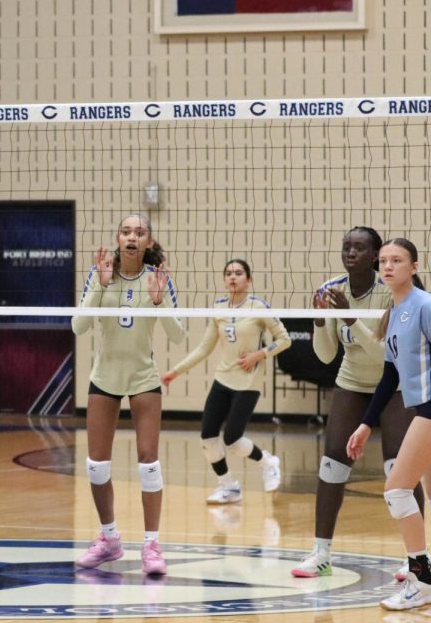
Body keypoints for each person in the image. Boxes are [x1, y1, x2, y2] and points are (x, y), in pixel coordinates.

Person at [292, 227, 422, 578]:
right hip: (351, 381)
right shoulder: (331, 290)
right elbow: (325, 356)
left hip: (394, 385)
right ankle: (321, 553)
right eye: (347, 247)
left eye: (361, 248)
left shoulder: (391, 293)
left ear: (375, 256)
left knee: (400, 469)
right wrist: (321, 322)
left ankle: (416, 557)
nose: (351, 253)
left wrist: (351, 318)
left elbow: (388, 355)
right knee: (331, 465)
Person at [71, 213, 184, 575]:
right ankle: (109, 539)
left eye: (139, 232)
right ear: (118, 239)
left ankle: (151, 545)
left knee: (149, 463)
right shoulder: (100, 274)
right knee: (96, 465)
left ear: (148, 242)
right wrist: (100, 287)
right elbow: (79, 326)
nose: (132, 236)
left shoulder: (159, 279)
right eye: (125, 231)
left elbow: (178, 335)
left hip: (143, 377)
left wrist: (158, 301)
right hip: (105, 377)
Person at [346, 238, 431, 610]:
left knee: (397, 490)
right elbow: (389, 375)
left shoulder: (425, 306)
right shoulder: (395, 312)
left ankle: (421, 578)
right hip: (421, 407)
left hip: (430, 408)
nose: (387, 266)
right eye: (383, 261)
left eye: (397, 260)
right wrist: (366, 425)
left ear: (413, 267)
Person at [162, 259, 290, 503]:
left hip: (248, 382)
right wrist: (175, 372)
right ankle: (228, 486)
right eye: (229, 273)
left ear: (248, 280)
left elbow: (284, 340)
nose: (233, 277)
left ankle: (268, 462)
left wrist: (259, 354)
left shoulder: (258, 307)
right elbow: (204, 348)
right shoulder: (219, 307)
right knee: (207, 436)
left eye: (239, 273)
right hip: (223, 379)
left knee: (232, 438)